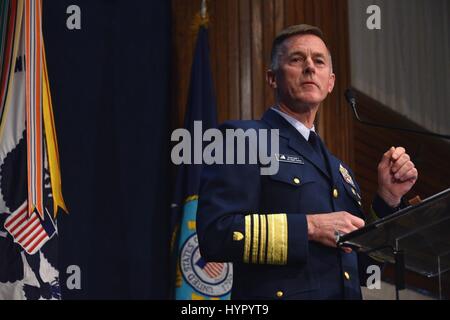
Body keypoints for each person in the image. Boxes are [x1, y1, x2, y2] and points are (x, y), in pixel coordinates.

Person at [196, 24, 418, 299]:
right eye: (297, 59)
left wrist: (388, 199)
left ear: (330, 82)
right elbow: (215, 235)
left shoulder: (341, 171)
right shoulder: (242, 139)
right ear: (272, 78)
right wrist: (310, 227)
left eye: (319, 61)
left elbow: (364, 268)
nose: (310, 67)